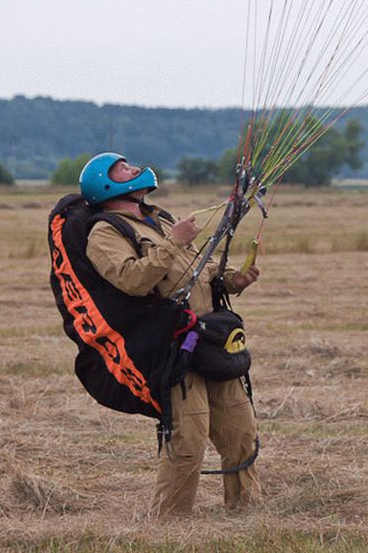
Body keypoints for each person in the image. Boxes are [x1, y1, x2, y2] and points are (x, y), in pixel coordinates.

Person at [79, 152, 262, 517]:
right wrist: (173, 242)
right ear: (106, 183)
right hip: (174, 347)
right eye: (123, 169)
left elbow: (201, 269)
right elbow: (132, 280)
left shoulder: (160, 218)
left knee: (242, 432)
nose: (134, 169)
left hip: (211, 338)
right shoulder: (105, 232)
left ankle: (246, 514)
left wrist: (231, 280)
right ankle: (169, 526)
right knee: (188, 440)